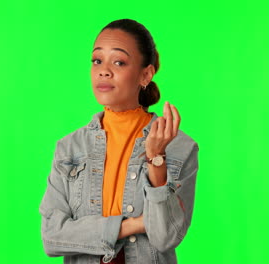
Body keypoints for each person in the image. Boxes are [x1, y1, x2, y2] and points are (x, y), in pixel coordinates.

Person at [39, 18, 199, 264]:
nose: (104, 70)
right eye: (97, 60)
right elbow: (52, 237)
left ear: (145, 74)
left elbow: (166, 236)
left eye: (119, 62)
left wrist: (156, 159)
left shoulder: (180, 147)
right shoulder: (69, 148)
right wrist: (131, 225)